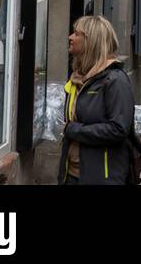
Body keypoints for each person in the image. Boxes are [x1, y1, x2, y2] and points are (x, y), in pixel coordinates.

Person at [57, 15, 136, 185]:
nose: (70, 37)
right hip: (72, 174)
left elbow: (118, 129)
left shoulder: (115, 80)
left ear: (91, 41)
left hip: (102, 177)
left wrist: (74, 130)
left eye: (76, 34)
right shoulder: (78, 79)